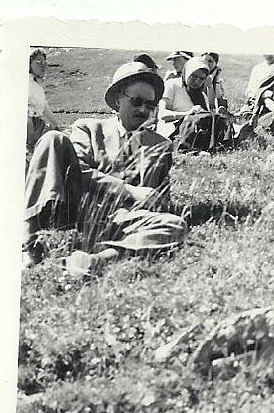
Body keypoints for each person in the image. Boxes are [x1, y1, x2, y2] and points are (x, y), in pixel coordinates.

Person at [22, 61, 186, 275]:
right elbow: (79, 170)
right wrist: (129, 190)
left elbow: (162, 197)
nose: (143, 110)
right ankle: (28, 246)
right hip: (78, 208)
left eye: (150, 105)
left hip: (120, 219)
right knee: (53, 139)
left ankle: (96, 260)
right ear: (118, 100)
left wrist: (155, 201)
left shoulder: (161, 145)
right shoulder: (88, 128)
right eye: (136, 101)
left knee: (176, 226)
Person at [158, 57, 233, 152]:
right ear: (187, 72)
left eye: (201, 79)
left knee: (220, 119)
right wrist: (187, 114)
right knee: (194, 120)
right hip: (173, 128)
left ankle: (225, 144)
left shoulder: (201, 95)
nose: (197, 81)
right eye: (193, 76)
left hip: (194, 129)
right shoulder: (172, 85)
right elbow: (163, 115)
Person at [27, 48, 62, 154]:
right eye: (39, 62)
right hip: (28, 126)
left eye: (45, 63)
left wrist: (59, 126)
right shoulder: (24, 83)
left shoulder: (37, 86)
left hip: (38, 125)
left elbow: (45, 108)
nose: (43, 66)